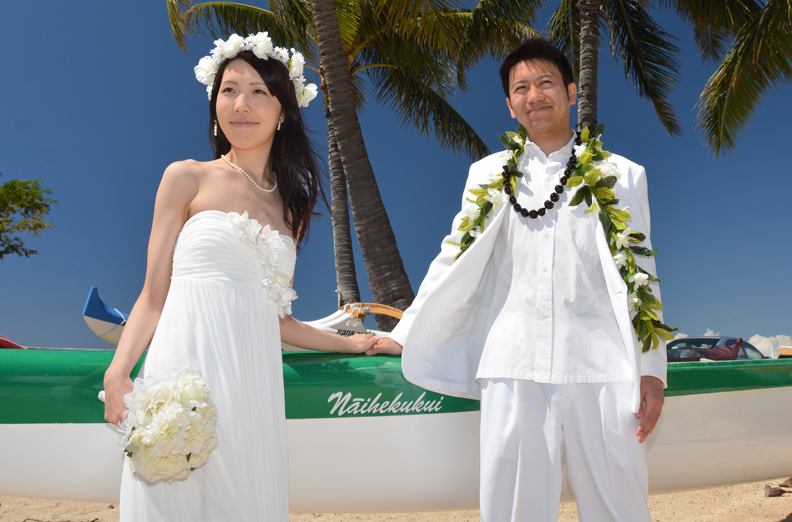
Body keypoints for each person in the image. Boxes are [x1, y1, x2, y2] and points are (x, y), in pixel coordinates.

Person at [369, 38, 668, 522]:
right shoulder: (488, 175)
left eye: (546, 82)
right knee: (512, 510)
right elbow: (453, 256)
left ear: (571, 92)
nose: (535, 95)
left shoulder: (622, 174)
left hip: (604, 363)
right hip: (512, 363)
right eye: (521, 88)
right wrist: (405, 332)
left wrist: (652, 369)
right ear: (510, 105)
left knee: (620, 507)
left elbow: (641, 271)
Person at [102, 33, 376, 522]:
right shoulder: (185, 177)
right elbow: (153, 295)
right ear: (215, 104)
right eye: (229, 90)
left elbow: (278, 319)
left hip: (251, 386)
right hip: (183, 379)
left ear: (283, 110)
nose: (241, 104)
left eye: (258, 92)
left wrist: (353, 344)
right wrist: (119, 371)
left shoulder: (291, 209)